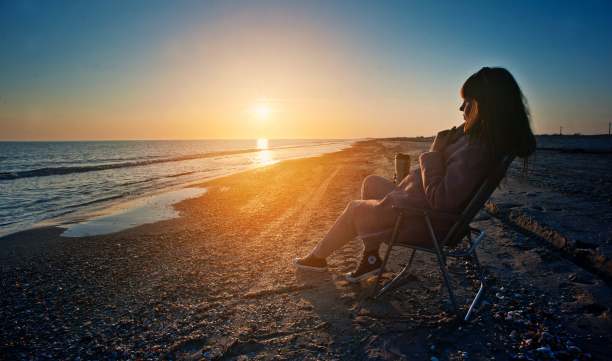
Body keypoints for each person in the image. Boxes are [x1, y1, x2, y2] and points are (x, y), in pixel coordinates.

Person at [293, 67, 537, 282]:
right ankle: (371, 259)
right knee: (371, 184)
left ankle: (317, 259)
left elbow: (441, 201)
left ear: (485, 106)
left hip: (422, 220)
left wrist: (434, 152)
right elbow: (445, 185)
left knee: (355, 208)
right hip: (416, 207)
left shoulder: (476, 150)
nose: (461, 108)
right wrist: (412, 180)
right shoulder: (479, 143)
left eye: (468, 101)